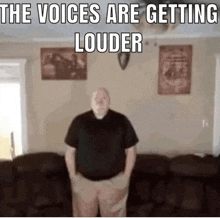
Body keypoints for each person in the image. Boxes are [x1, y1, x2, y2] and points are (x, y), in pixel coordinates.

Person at [64, 87, 139, 217]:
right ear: (91, 101)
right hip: (84, 184)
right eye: (96, 99)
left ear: (109, 101)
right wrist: (73, 176)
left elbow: (131, 150)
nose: (100, 102)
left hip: (114, 183)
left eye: (103, 98)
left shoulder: (122, 121)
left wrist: (126, 176)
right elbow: (70, 151)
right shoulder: (79, 121)